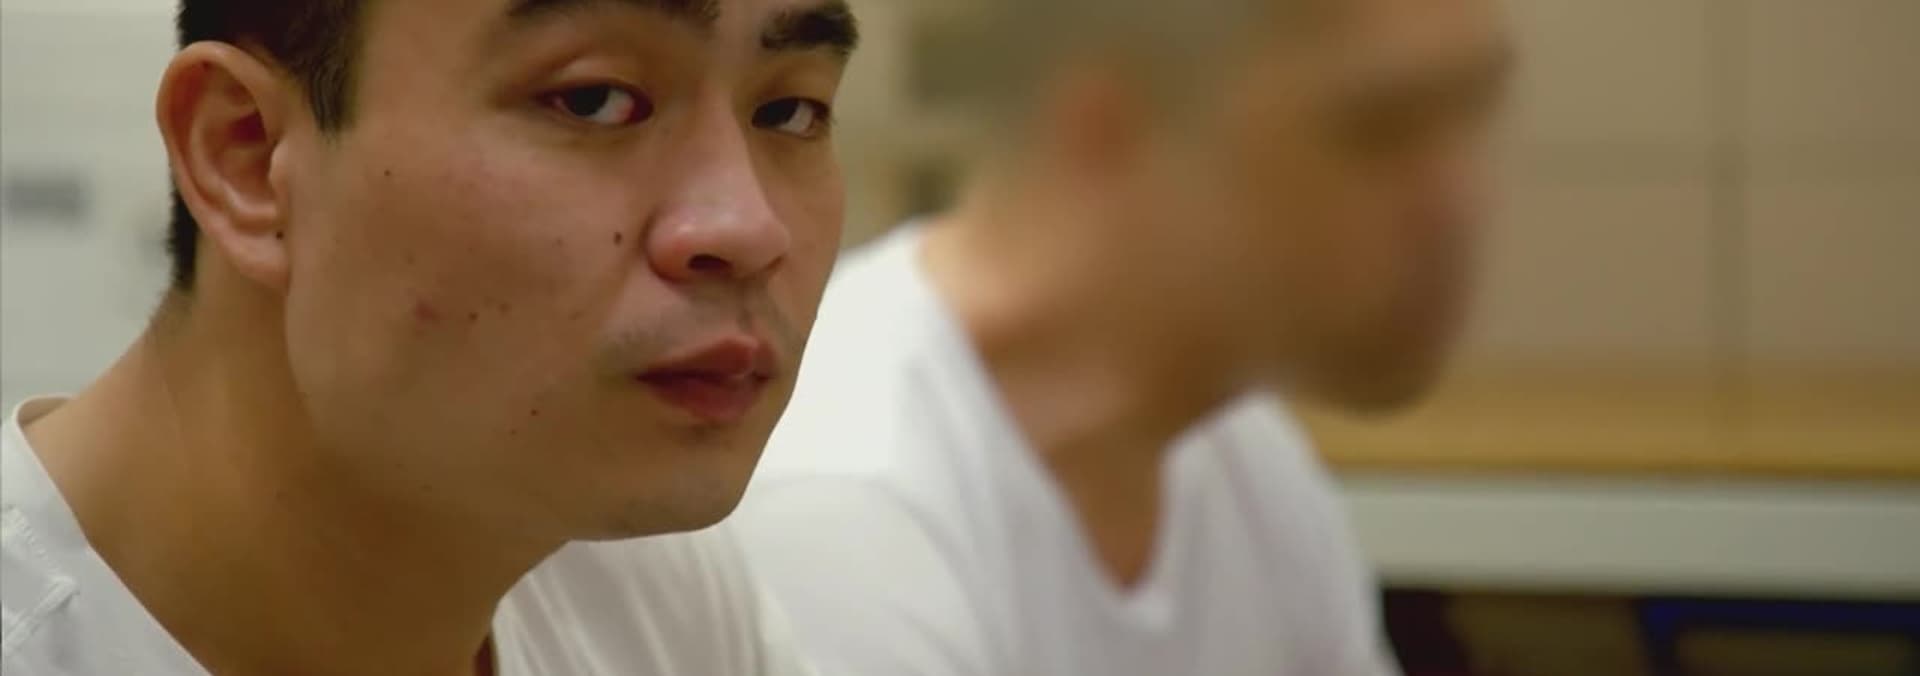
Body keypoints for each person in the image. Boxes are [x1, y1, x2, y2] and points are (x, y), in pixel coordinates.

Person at [1, 0, 857, 674]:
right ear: (246, 155)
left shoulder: (651, 602)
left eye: (789, 111)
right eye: (594, 100)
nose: (750, 228)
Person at [730, 0, 1511, 674]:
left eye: (1472, 114)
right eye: (1377, 129)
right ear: (1106, 130)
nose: (1454, 204)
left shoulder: (1244, 458)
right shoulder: (849, 506)